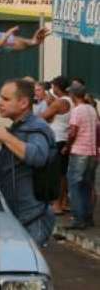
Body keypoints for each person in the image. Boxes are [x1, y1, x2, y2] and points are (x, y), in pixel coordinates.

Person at [0, 79, 56, 246]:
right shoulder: (18, 128)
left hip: (32, 219)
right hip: (17, 218)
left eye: (5, 99)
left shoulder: (37, 127)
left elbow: (38, 156)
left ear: (24, 103)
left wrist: (5, 136)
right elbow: (11, 164)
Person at [64, 81, 98, 229]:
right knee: (86, 186)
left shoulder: (77, 111)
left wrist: (67, 146)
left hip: (79, 152)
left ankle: (78, 220)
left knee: (74, 186)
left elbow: (73, 131)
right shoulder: (91, 109)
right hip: (92, 153)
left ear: (72, 95)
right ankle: (88, 217)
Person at [39, 76, 73, 214]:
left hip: (57, 138)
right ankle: (63, 202)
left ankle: (57, 204)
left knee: (56, 173)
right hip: (65, 137)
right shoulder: (70, 100)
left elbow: (43, 117)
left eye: (53, 87)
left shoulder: (59, 103)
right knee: (63, 174)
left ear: (58, 87)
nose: (52, 89)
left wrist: (48, 104)